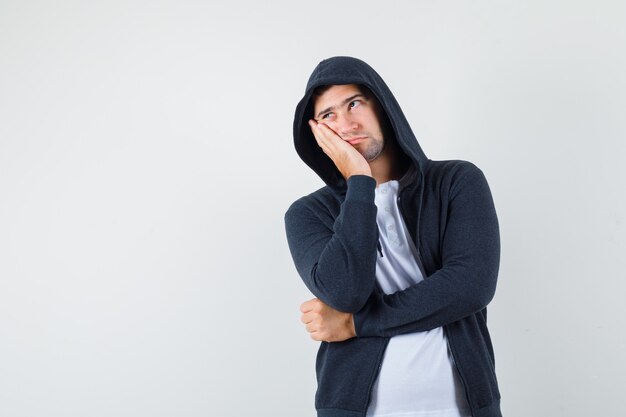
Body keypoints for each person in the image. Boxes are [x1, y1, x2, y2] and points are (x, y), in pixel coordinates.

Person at [284, 56, 502, 417]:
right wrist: (359, 184)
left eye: (354, 103)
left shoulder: (456, 183)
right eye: (329, 116)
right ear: (318, 135)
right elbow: (345, 291)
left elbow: (471, 285)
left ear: (381, 106)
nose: (347, 123)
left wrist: (356, 323)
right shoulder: (308, 214)